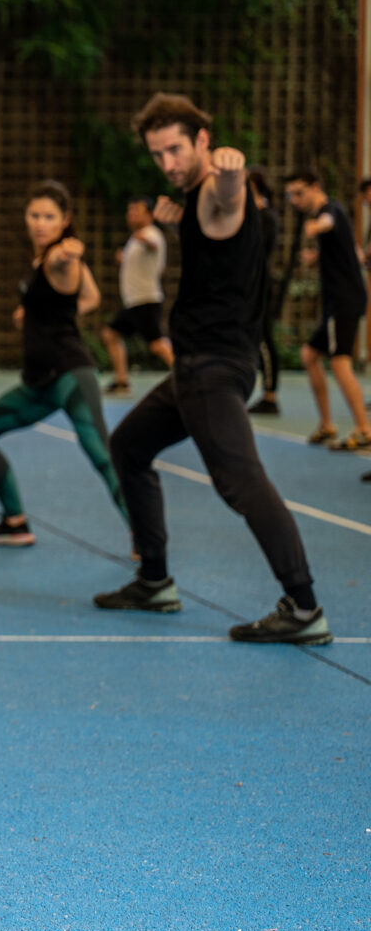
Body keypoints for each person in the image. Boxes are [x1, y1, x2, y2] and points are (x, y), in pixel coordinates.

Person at [97, 94, 326, 644]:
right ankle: (154, 580)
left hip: (212, 369)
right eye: (158, 154)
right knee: (129, 446)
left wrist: (230, 172)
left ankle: (303, 608)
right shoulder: (198, 206)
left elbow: (226, 201)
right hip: (200, 367)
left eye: (176, 149)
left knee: (241, 482)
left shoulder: (218, 193)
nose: (168, 163)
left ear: (203, 139)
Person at [0, 182, 125, 548]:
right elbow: (91, 296)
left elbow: (64, 263)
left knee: (101, 455)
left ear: (65, 220)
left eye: (49, 217)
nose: (40, 223)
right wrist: (40, 313)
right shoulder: (38, 262)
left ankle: (144, 540)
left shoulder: (58, 259)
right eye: (34, 215)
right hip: (38, 383)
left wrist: (68, 254)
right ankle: (15, 522)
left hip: (71, 377)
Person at [284, 171, 371, 451]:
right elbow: (350, 249)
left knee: (340, 362)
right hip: (338, 300)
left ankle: (364, 429)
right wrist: (317, 257)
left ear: (315, 187)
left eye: (299, 193)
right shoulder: (332, 213)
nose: (295, 200)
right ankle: (327, 424)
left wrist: (316, 227)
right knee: (309, 355)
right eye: (290, 195)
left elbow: (328, 222)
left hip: (344, 300)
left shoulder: (330, 210)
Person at [102, 196, 174, 395]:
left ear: (149, 215)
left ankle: (187, 377)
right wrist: (124, 258)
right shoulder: (135, 238)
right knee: (110, 334)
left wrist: (146, 242)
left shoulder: (151, 234)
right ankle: (121, 381)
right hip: (133, 302)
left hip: (146, 300)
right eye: (130, 210)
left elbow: (154, 245)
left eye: (137, 211)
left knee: (157, 344)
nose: (132, 214)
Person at [247, 173, 285, 416]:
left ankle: (270, 396)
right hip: (245, 288)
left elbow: (258, 252)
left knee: (263, 338)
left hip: (259, 288)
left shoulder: (265, 217)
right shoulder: (248, 216)